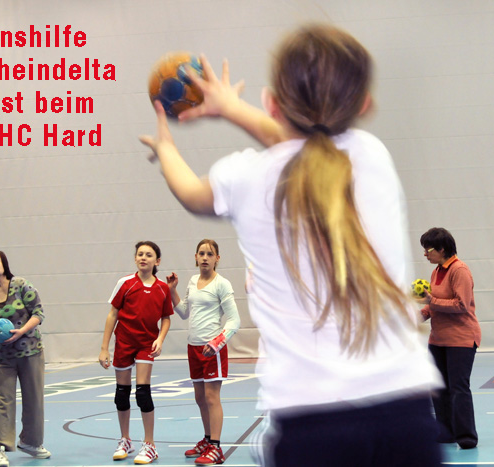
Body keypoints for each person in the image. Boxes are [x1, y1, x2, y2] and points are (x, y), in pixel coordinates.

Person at [139, 24, 443, 466]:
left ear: (272, 102)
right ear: (364, 104)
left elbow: (191, 193)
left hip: (310, 422)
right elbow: (309, 146)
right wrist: (233, 109)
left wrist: (166, 148)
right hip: (406, 415)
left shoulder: (244, 177)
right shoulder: (372, 157)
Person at [0, 249, 51, 467]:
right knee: (3, 400)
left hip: (30, 351)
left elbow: (38, 313)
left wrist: (22, 331)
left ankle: (31, 443)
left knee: (34, 398)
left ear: (4, 265)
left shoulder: (21, 285)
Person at [166, 239, 241, 465]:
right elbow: (183, 312)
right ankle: (207, 440)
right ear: (196, 257)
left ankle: (216, 448)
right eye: (201, 253)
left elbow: (234, 321)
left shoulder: (222, 284)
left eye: (210, 254)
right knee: (200, 398)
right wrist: (172, 290)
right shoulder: (192, 281)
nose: (205, 257)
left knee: (211, 398)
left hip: (213, 349)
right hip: (194, 347)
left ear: (217, 258)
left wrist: (217, 343)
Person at [99, 241, 173, 465]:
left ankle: (150, 444)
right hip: (124, 342)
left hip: (146, 345)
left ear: (157, 261)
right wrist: (104, 348)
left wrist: (160, 339)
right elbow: (113, 314)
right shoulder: (125, 283)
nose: (143, 258)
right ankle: (125, 440)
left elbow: (166, 318)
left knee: (143, 393)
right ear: (135, 258)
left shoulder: (162, 288)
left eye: (148, 255)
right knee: (121, 394)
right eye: (140, 254)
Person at [418, 227, 481, 449]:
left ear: (442, 249)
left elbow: (461, 305)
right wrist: (419, 315)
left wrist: (431, 302)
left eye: (428, 250)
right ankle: (445, 432)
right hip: (438, 340)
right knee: (439, 389)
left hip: (460, 340)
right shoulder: (436, 271)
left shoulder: (459, 270)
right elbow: (434, 304)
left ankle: (466, 436)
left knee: (458, 389)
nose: (425, 254)